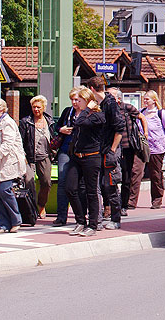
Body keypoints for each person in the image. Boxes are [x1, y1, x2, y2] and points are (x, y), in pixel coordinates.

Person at [65, 87, 106, 236]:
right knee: (70, 187)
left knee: (91, 191)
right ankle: (80, 220)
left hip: (91, 156)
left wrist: (87, 109)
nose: (77, 103)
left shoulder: (97, 116)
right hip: (77, 156)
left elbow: (81, 122)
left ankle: (93, 224)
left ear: (88, 102)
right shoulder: (80, 115)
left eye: (80, 101)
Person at [0, 98, 27, 233]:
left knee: (4, 191)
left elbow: (8, 144)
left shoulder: (8, 123)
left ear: (1, 110)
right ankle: (3, 224)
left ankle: (16, 220)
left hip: (7, 162)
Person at [87, 76, 124, 229]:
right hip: (100, 148)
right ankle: (100, 217)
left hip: (109, 149)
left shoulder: (110, 104)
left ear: (92, 89)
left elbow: (119, 128)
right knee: (100, 185)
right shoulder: (100, 104)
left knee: (110, 184)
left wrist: (112, 150)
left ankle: (116, 218)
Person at [109, 88, 143, 216]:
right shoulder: (106, 109)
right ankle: (110, 206)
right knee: (111, 177)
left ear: (118, 98)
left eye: (110, 95)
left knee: (126, 176)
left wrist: (144, 134)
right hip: (111, 147)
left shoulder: (127, 107)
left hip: (127, 146)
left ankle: (124, 205)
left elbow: (141, 117)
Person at [19, 95, 54, 218]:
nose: (36, 109)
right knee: (29, 181)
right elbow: (20, 140)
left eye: (38, 107)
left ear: (44, 107)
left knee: (46, 182)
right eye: (34, 107)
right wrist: (22, 156)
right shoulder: (25, 122)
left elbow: (54, 138)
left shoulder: (50, 122)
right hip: (29, 157)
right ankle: (32, 208)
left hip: (45, 157)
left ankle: (41, 205)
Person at [51, 88, 81, 227]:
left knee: (80, 184)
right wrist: (61, 129)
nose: (74, 102)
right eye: (73, 100)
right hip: (65, 149)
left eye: (77, 100)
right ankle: (61, 216)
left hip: (81, 151)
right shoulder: (67, 111)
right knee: (62, 182)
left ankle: (81, 215)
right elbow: (57, 127)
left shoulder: (87, 113)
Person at [138, 90, 165, 209]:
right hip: (143, 146)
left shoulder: (161, 113)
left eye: (147, 99)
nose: (145, 101)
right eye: (144, 99)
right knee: (136, 172)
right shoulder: (141, 112)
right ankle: (130, 201)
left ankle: (157, 199)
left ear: (154, 100)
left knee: (155, 174)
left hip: (157, 147)